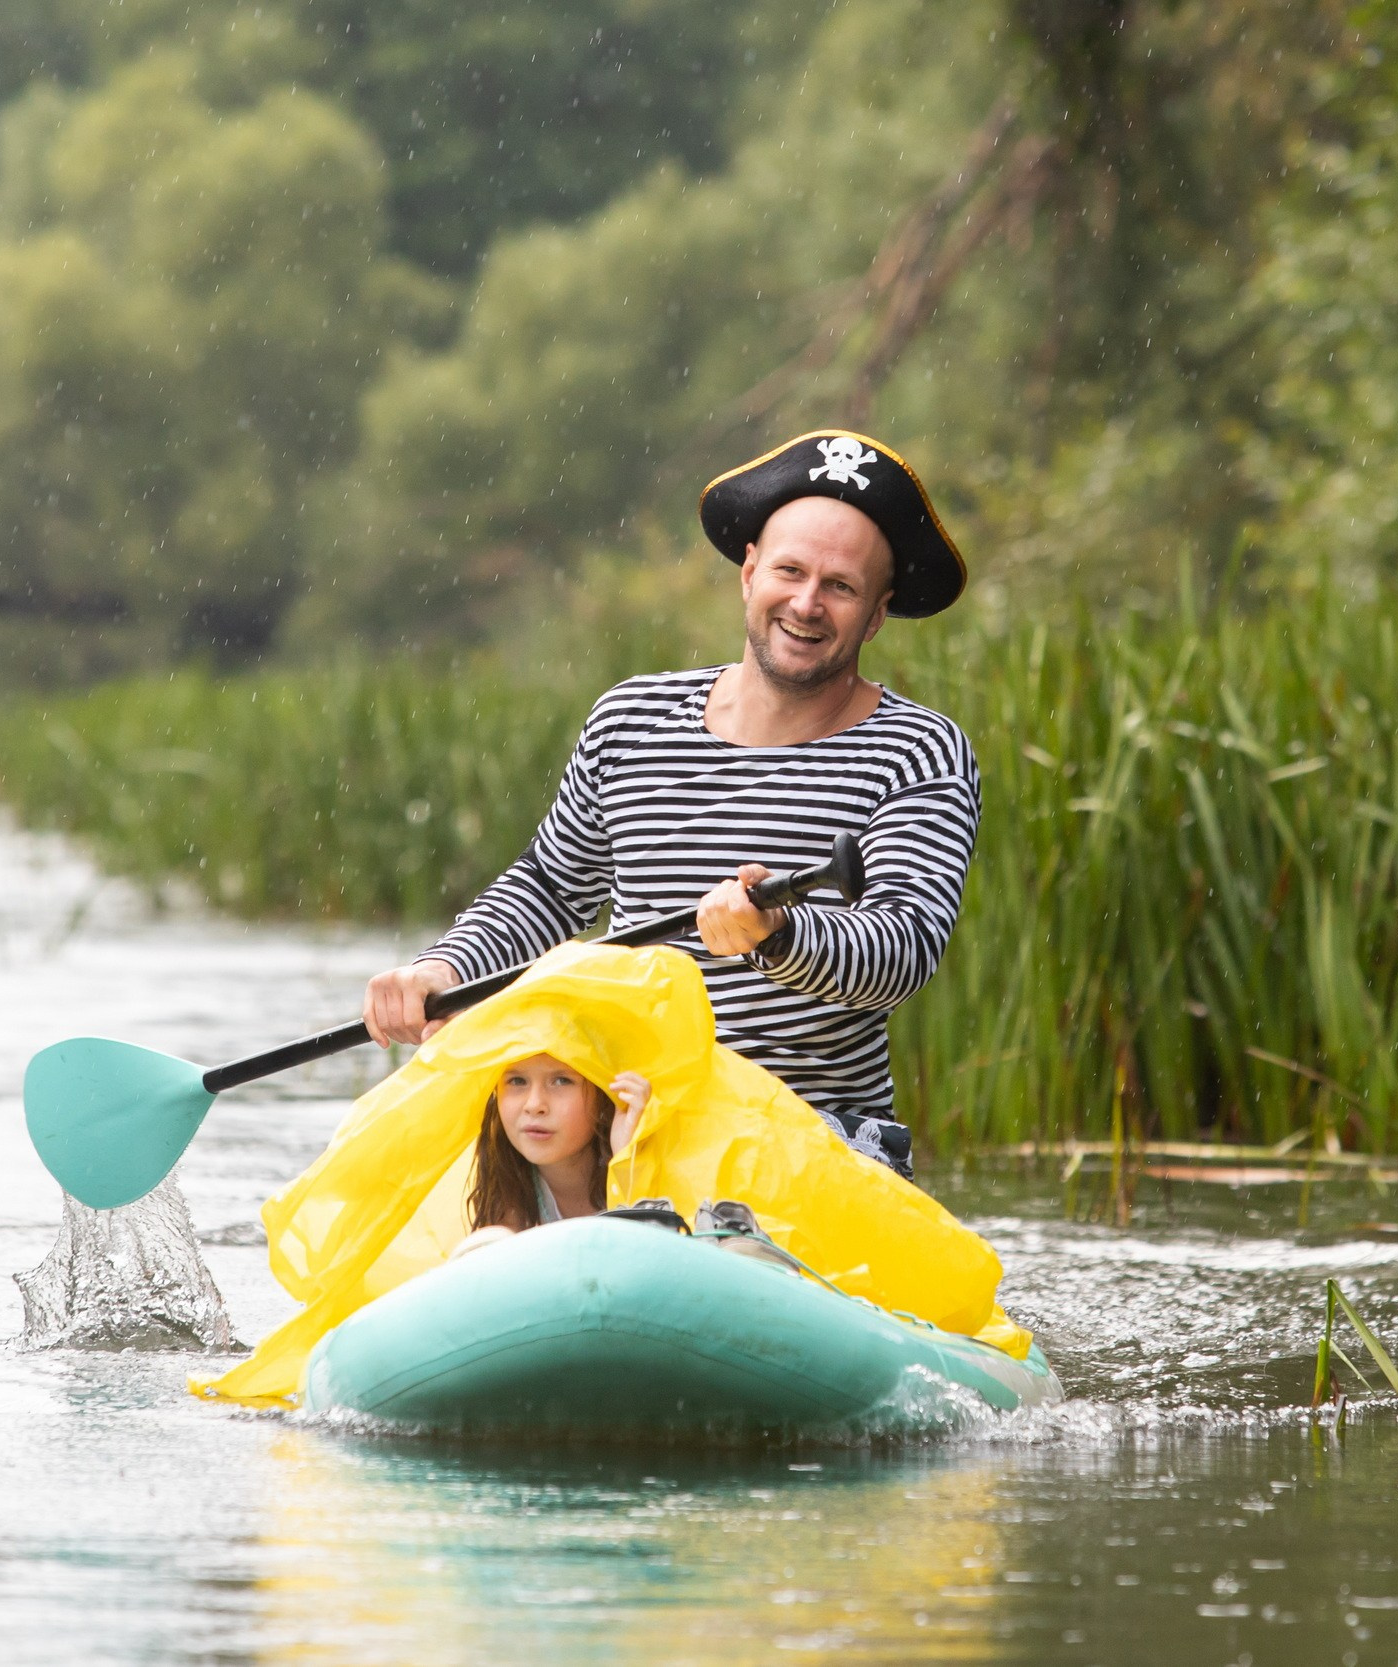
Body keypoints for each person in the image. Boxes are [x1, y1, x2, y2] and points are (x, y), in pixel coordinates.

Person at [362, 429, 977, 1176]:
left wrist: (776, 933)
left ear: (876, 615)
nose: (807, 603)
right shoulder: (630, 718)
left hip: (814, 1147)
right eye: (790, 570)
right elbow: (551, 891)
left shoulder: (922, 749)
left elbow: (902, 949)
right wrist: (443, 972)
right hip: (627, 1128)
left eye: (841, 587)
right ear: (749, 571)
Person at [449, 1055, 651, 1259]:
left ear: (605, 1093)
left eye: (562, 1080)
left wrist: (626, 1162)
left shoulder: (643, 1158)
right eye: (517, 1081)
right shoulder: (504, 1184)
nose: (534, 1104)